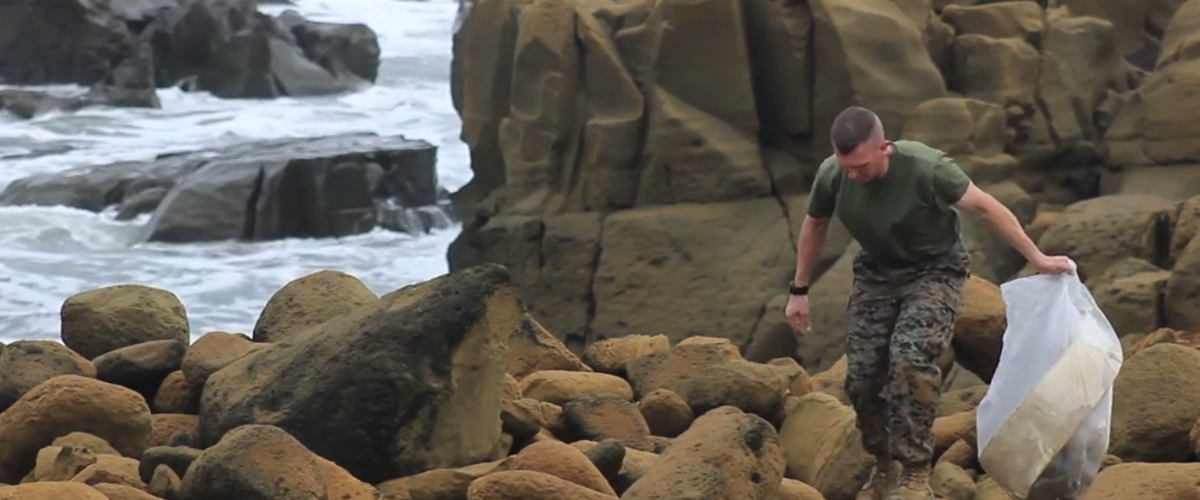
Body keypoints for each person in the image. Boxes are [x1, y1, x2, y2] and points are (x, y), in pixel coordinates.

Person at [784, 106, 1074, 500]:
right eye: (846, 166)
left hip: (935, 270)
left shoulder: (928, 168)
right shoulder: (833, 174)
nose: (854, 175)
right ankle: (884, 464)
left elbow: (987, 208)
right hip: (877, 273)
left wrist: (1038, 258)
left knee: (910, 358)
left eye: (862, 167)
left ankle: (915, 470)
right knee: (863, 376)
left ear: (885, 147)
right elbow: (815, 224)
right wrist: (799, 291)